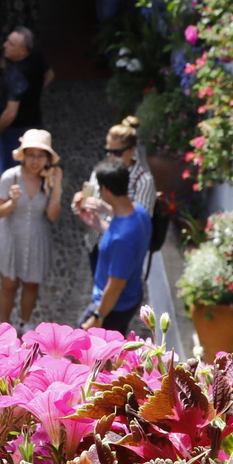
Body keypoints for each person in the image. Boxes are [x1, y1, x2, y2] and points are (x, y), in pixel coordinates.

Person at [0, 128, 63, 327]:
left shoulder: (49, 180)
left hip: (37, 237)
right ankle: (4, 325)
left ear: (48, 158)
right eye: (31, 154)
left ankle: (25, 323)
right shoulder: (10, 177)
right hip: (12, 236)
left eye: (41, 156)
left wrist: (57, 188)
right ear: (23, 155)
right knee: (9, 285)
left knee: (31, 284)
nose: (35, 160)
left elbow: (53, 216)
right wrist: (11, 202)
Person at [72, 117, 155, 274]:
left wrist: (108, 209)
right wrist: (81, 202)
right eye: (107, 151)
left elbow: (140, 223)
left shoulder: (143, 180)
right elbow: (91, 197)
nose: (110, 157)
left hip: (121, 247)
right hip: (97, 242)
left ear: (132, 149)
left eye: (116, 153)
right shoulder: (101, 170)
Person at [81, 159, 151, 335]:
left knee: (84, 347)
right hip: (131, 298)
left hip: (114, 308)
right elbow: (125, 239)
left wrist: (97, 316)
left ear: (105, 190)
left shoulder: (121, 240)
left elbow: (115, 286)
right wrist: (99, 223)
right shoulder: (140, 212)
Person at [0, 28, 54, 175]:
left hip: (15, 130)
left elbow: (11, 113)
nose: (5, 45)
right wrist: (34, 92)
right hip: (35, 122)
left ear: (23, 51)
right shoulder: (36, 57)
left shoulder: (16, 75)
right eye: (7, 41)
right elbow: (50, 75)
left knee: (11, 171)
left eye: (11, 44)